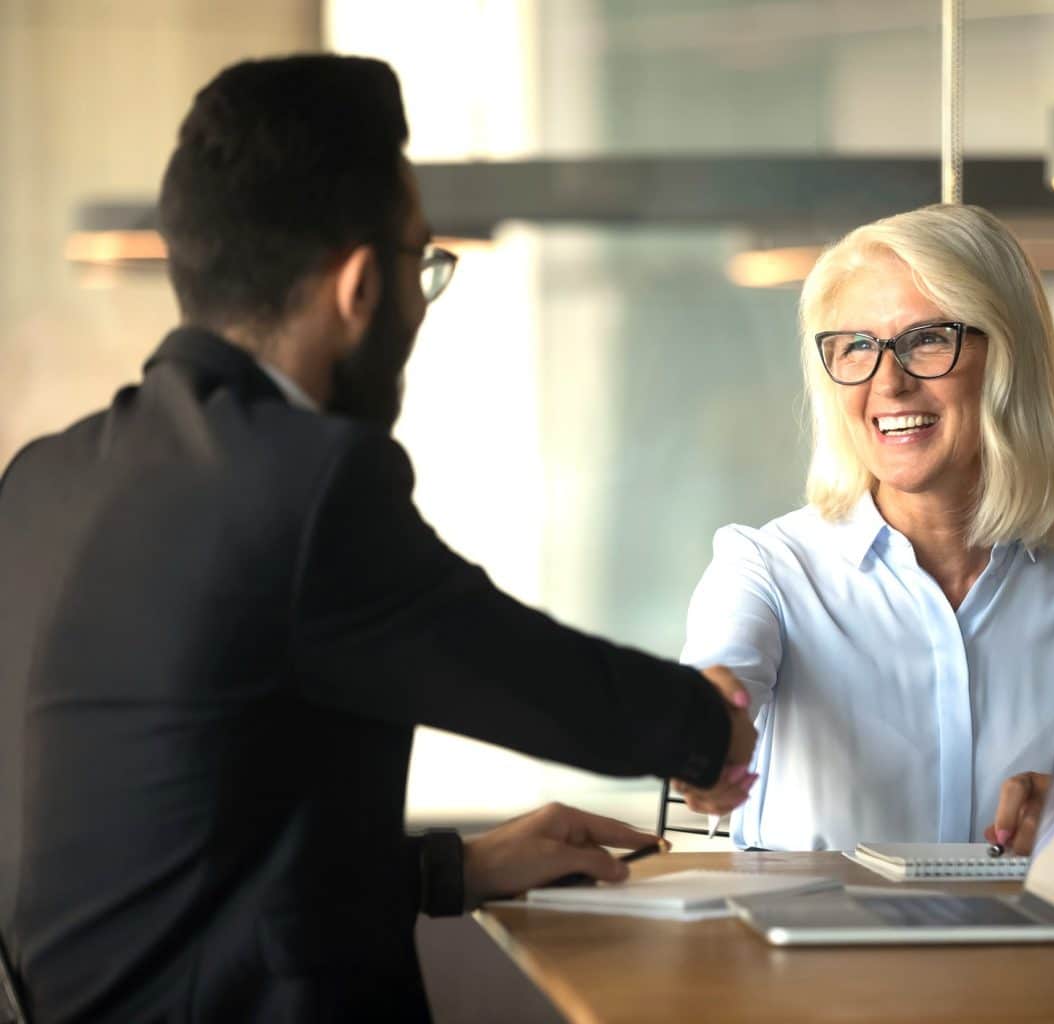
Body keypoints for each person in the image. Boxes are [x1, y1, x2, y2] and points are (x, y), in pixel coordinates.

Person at [0, 55, 756, 1023]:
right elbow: (526, 675)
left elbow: (168, 888)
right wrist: (705, 728)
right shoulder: (301, 484)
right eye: (420, 264)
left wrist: (455, 866)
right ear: (359, 287)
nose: (419, 300)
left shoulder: (41, 481)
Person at [681, 203, 1054, 856]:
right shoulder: (770, 571)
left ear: (1009, 359)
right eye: (857, 346)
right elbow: (716, 687)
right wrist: (703, 731)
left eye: (928, 339)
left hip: (1036, 955)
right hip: (818, 954)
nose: (888, 382)